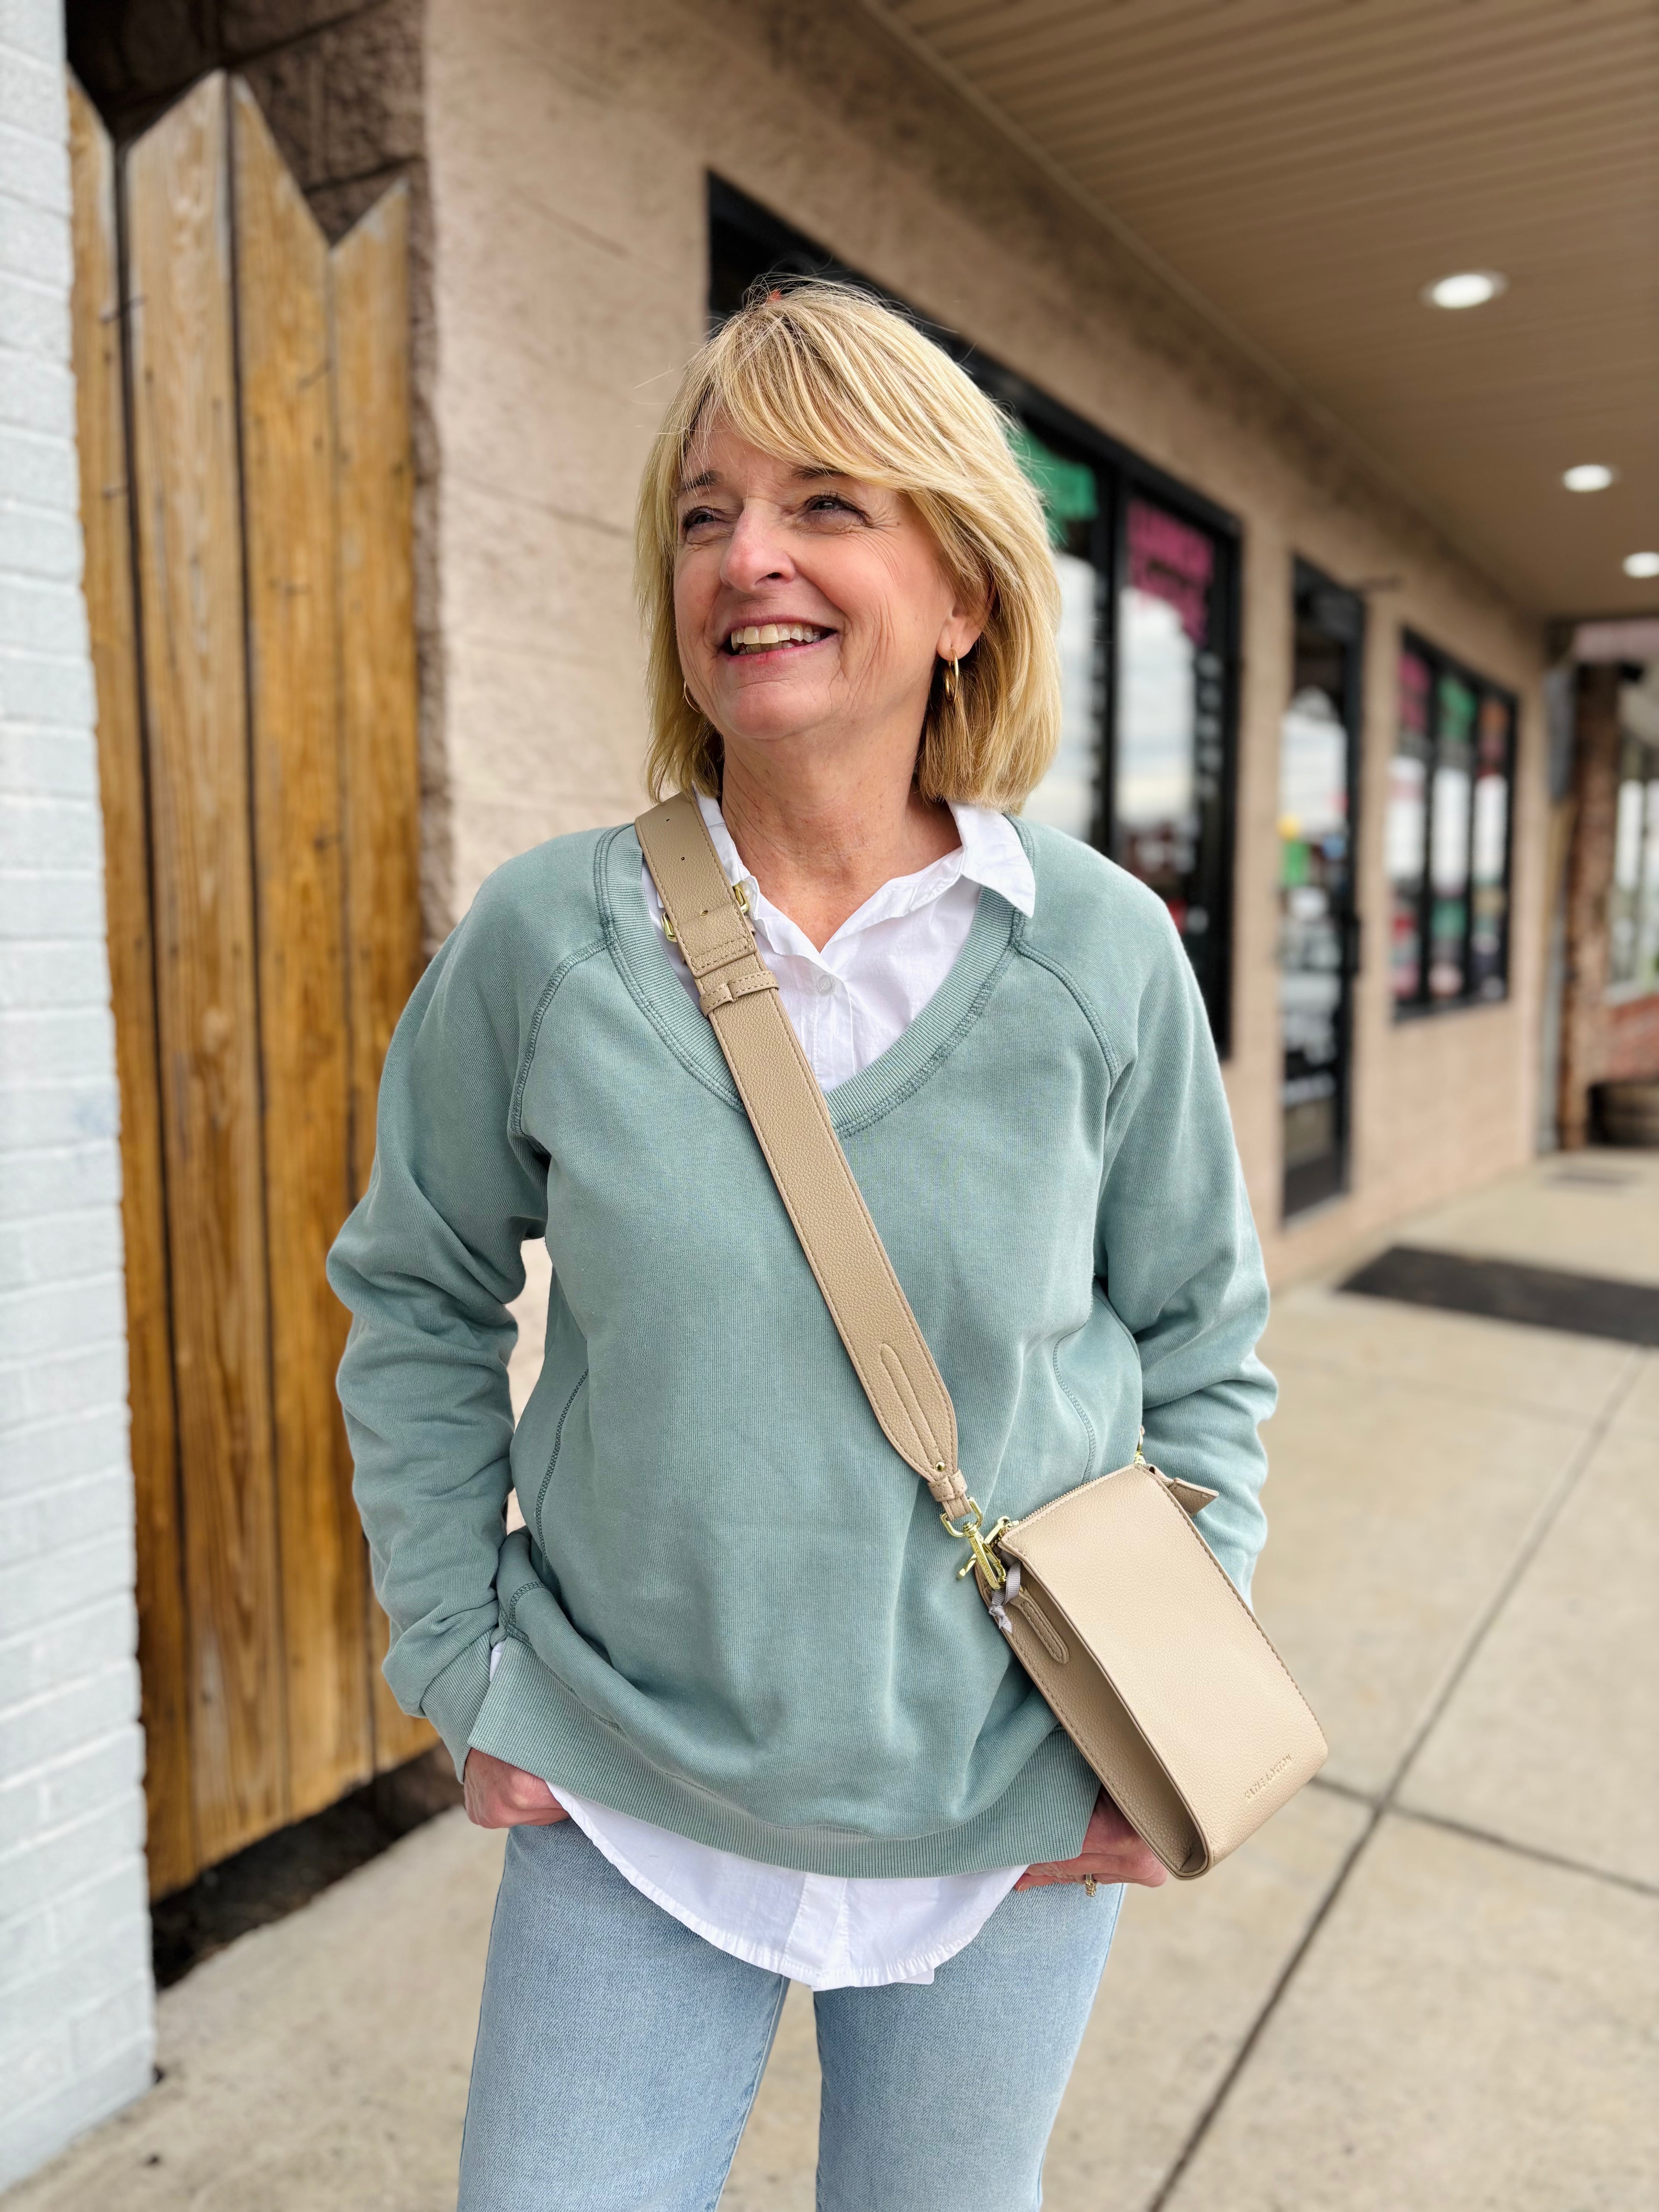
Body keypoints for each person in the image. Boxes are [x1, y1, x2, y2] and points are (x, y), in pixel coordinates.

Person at [328, 280, 1274, 2212]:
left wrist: (1170, 1689)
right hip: (629, 1786)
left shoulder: (1097, 957)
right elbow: (416, 1285)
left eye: (827, 501)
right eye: (704, 511)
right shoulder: (548, 940)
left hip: (1003, 1795)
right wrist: (459, 1644)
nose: (747, 553)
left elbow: (1202, 1342)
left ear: (965, 592)